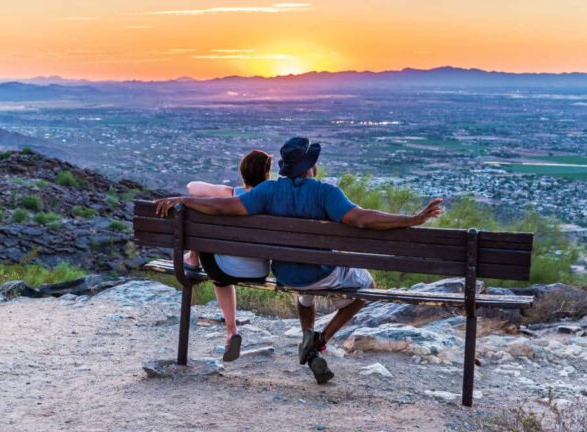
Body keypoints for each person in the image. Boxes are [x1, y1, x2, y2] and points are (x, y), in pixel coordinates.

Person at [154, 137, 442, 384]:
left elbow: (224, 207)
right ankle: (318, 340)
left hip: (286, 274)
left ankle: (307, 334)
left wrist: (185, 200)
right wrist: (412, 219)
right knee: (364, 288)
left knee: (305, 291)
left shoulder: (267, 190)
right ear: (310, 167)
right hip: (322, 273)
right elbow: (362, 219)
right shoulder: (326, 193)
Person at [182, 149, 273, 362]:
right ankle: (230, 331)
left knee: (200, 217)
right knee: (223, 274)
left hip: (224, 269)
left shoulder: (232, 194)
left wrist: (223, 190)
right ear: (267, 175)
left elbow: (192, 187)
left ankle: (192, 259)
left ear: (243, 173)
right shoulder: (272, 199)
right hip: (260, 271)